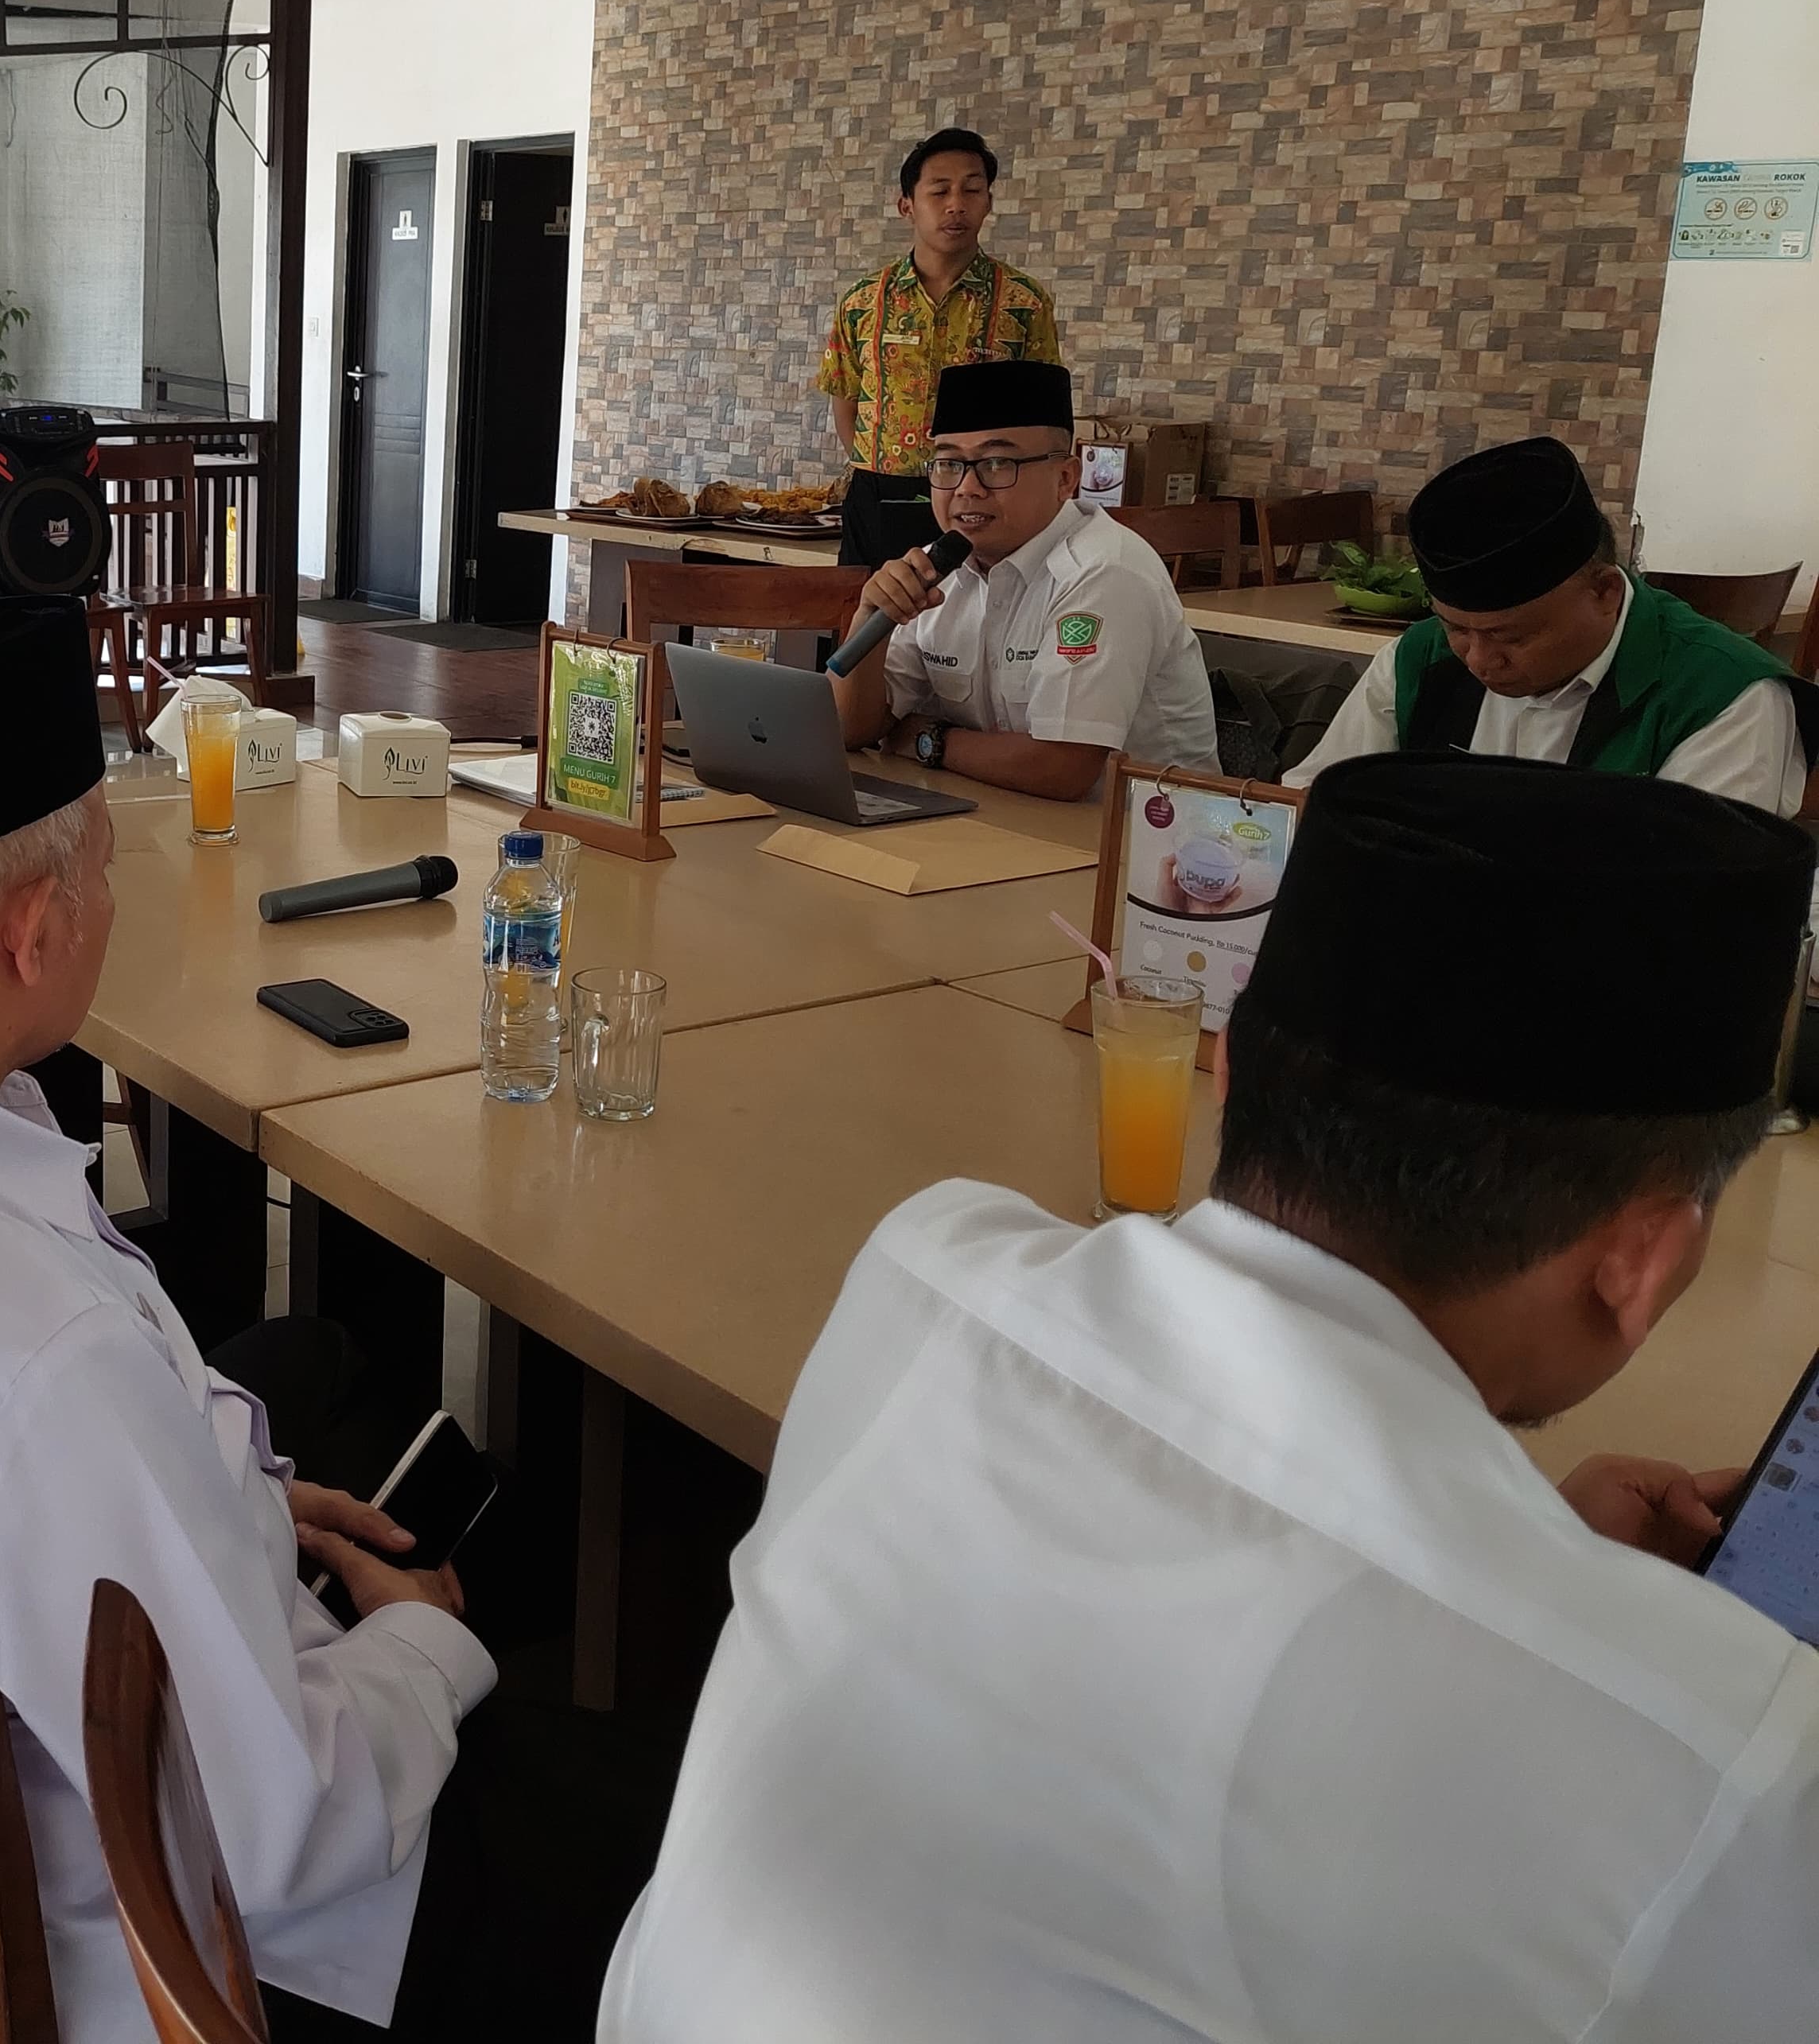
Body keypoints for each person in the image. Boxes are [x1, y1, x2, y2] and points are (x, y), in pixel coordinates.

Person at [601, 753, 1819, 2042]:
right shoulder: (1708, 1759)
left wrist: (1547, 1578)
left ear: (1227, 1074)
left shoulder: (931, 1271)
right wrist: (1620, 1646)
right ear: (1647, 1260)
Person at [0, 598, 674, 2044]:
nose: (115, 905)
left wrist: (221, 1498)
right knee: (689, 1850)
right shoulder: (44, 1361)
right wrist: (426, 1646)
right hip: (152, 1962)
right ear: (37, 929)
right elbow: (279, 1838)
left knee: (313, 1399)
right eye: (109, 873)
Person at [1292, 433, 1813, 813]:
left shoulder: (1723, 698)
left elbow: (1693, 904)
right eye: (1456, 627)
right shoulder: (1419, 661)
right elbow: (1310, 810)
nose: (1478, 659)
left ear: (1605, 592)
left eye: (1511, 636)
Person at [830, 356, 1217, 795]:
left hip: (1138, 843)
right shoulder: (944, 567)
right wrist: (872, 622)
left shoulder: (1105, 571)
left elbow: (1062, 768)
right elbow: (848, 732)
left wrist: (927, 741)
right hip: (995, 820)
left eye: (997, 464)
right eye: (948, 464)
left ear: (1066, 478)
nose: (967, 488)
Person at [819, 127, 1063, 566]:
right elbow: (846, 399)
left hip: (983, 495)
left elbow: (1044, 417)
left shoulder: (1023, 301)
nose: (957, 205)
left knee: (973, 626)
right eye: (939, 191)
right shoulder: (862, 301)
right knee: (872, 624)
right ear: (906, 205)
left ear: (988, 202)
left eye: (972, 190)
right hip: (880, 496)